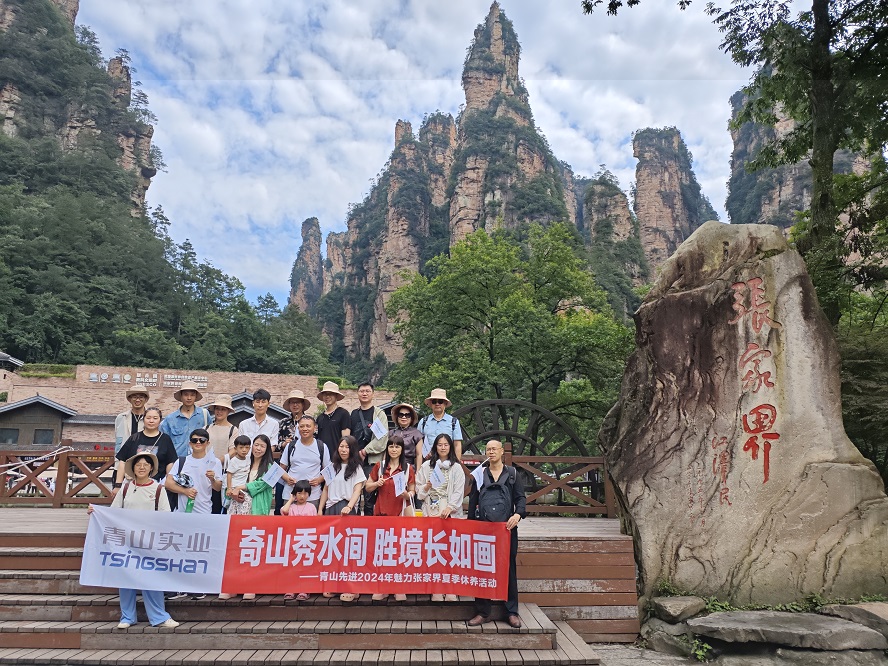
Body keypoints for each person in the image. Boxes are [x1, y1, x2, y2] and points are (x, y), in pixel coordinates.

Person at [89, 452, 179, 630]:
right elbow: (113, 513)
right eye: (138, 464)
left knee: (152, 578)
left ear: (151, 468)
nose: (142, 467)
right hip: (127, 541)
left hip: (150, 542)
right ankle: (127, 616)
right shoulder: (125, 489)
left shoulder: (158, 489)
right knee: (126, 578)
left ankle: (159, 616)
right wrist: (96, 511)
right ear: (133, 468)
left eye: (146, 464)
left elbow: (165, 517)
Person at [467, 440, 526, 629]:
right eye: (488, 449)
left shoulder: (513, 474)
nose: (491, 452)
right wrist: (470, 526)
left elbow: (521, 498)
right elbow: (473, 502)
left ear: (502, 452)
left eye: (494, 449)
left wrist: (517, 515)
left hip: (506, 529)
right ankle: (483, 612)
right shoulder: (479, 474)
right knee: (482, 569)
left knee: (509, 569)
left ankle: (512, 612)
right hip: (484, 530)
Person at [220, 434, 276, 602]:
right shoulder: (243, 461)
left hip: (257, 510)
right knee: (235, 548)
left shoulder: (272, 468)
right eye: (256, 445)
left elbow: (262, 485)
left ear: (267, 449)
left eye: (262, 446)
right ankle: (233, 586)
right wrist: (232, 492)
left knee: (252, 549)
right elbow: (229, 483)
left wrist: (241, 487)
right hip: (237, 510)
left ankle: (250, 585)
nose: (258, 448)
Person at [416, 432, 467, 602]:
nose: (443, 447)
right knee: (433, 550)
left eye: (446, 444)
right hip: (430, 511)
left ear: (450, 447)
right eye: (440, 445)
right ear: (435, 447)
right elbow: (418, 492)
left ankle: (451, 588)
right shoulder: (426, 466)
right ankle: (435, 587)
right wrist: (426, 486)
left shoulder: (456, 467)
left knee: (450, 551)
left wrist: (451, 507)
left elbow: (459, 490)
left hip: (449, 513)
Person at [365, 434, 415, 602]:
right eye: (391, 446)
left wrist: (406, 494)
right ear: (387, 448)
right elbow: (367, 486)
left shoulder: (407, 469)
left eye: (397, 446)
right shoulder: (380, 467)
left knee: (399, 552)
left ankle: (398, 587)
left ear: (402, 449)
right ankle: (383, 587)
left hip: (399, 514)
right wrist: (376, 484)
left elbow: (413, 491)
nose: (394, 449)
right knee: (382, 552)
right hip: (381, 514)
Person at [317, 435, 365, 603]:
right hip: (331, 509)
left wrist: (350, 506)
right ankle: (333, 583)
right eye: (341, 446)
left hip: (347, 510)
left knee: (348, 550)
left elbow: (357, 491)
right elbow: (325, 490)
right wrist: (320, 509)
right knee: (332, 548)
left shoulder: (357, 468)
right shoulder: (332, 467)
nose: (343, 450)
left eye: (347, 447)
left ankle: (351, 587)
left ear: (353, 449)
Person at [113, 406, 178, 492]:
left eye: (155, 418)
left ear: (160, 420)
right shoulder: (134, 438)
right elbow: (123, 461)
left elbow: (170, 462)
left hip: (156, 485)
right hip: (134, 484)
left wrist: (169, 483)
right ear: (143, 420)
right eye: (148, 418)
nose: (151, 421)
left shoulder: (165, 439)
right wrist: (118, 485)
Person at [279, 415, 331, 510]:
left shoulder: (321, 446)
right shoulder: (291, 446)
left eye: (308, 426)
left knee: (310, 519)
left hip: (312, 494)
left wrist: (319, 480)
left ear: (315, 428)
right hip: (291, 494)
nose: (305, 429)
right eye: (302, 426)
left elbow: (329, 470)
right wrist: (287, 478)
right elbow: (280, 468)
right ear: (298, 428)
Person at [351, 383, 388, 515]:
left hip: (372, 463)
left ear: (373, 394)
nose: (364, 393)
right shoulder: (354, 414)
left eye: (367, 391)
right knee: (353, 496)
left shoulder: (378, 414)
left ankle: (370, 525)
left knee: (369, 498)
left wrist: (365, 451)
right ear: (357, 393)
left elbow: (382, 439)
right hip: (354, 462)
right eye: (361, 391)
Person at [274, 389, 311, 514]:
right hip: (285, 467)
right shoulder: (283, 423)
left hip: (304, 467)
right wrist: (284, 444)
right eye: (292, 402)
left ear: (303, 404)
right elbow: (276, 444)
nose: (295, 405)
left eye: (298, 402)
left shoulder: (310, 422)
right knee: (280, 500)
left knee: (304, 503)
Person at [280, 480, 318, 601]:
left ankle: (305, 589)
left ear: (309, 494)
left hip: (307, 542)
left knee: (306, 566)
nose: (302, 496)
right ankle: (291, 589)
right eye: (299, 493)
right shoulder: (291, 507)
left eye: (305, 493)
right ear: (295, 494)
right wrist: (291, 499)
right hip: (294, 542)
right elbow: (284, 511)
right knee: (293, 566)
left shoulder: (311, 507)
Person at [160, 381, 212, 457]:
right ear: (181, 396)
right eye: (186, 394)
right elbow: (164, 442)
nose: (189, 398)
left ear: (196, 397)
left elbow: (210, 436)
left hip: (199, 459)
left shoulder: (204, 414)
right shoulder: (170, 419)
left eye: (192, 395)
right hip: (177, 460)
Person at [206, 394, 239, 514]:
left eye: (223, 409)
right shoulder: (206, 428)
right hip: (206, 470)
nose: (219, 412)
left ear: (228, 411)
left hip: (222, 471)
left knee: (219, 505)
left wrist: (218, 461)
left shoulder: (233, 430)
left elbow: (233, 450)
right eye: (217, 408)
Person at [419, 389, 464, 461]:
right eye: (434, 401)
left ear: (445, 403)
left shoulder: (454, 422)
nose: (437, 404)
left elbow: (457, 445)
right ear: (431, 404)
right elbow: (418, 444)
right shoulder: (423, 422)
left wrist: (456, 463)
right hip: (428, 462)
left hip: (448, 461)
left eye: (440, 401)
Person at [316, 381, 350, 459]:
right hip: (321, 457)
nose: (327, 396)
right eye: (325, 394)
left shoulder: (343, 414)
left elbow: (346, 439)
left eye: (330, 394)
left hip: (337, 458)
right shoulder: (320, 417)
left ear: (336, 396)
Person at [114, 385, 149, 454]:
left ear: (145, 399)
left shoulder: (151, 418)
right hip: (124, 458)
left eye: (141, 397)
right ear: (130, 399)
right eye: (134, 397)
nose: (137, 400)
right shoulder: (121, 418)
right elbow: (118, 441)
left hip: (144, 458)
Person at [388, 403, 423, 469]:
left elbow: (419, 455)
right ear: (397, 417)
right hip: (392, 467)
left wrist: (418, 472)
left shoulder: (417, 434)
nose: (404, 417)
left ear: (411, 418)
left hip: (409, 468)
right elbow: (386, 453)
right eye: (401, 415)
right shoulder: (391, 433)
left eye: (407, 415)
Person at [223, 435, 252, 516]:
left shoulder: (248, 459)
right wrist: (229, 488)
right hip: (235, 487)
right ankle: (241, 518)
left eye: (247, 447)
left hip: (243, 487)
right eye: (241, 447)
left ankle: (238, 518)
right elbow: (229, 474)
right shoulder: (234, 461)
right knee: (246, 500)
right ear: (235, 449)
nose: (244, 450)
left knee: (237, 505)